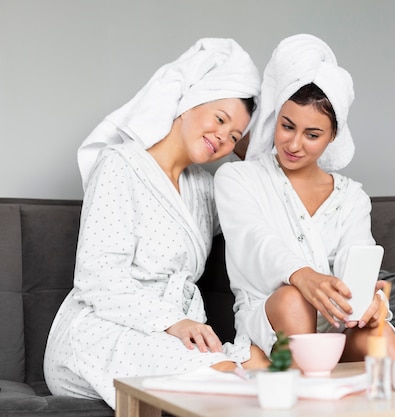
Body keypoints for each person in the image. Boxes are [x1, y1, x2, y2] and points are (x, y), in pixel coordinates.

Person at [43, 38, 268, 408]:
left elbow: (255, 207)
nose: (222, 139)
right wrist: (174, 323)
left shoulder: (206, 189)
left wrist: (249, 148)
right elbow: (96, 278)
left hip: (172, 336)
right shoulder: (119, 164)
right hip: (100, 331)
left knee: (258, 363)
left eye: (234, 137)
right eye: (220, 119)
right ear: (189, 102)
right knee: (224, 378)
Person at [214, 34, 395, 362]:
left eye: (312, 134)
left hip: (337, 323)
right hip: (271, 318)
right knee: (294, 299)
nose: (294, 144)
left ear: (334, 135)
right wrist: (302, 276)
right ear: (275, 117)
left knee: (380, 333)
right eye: (287, 126)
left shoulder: (352, 198)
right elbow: (255, 241)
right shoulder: (238, 179)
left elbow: (356, 256)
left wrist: (369, 301)